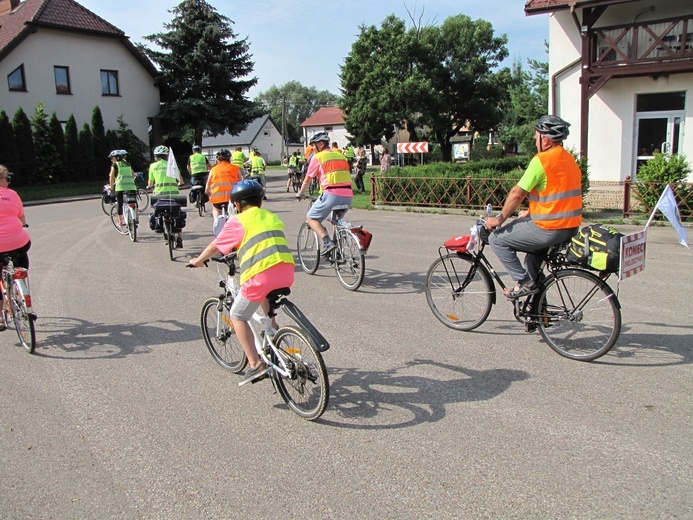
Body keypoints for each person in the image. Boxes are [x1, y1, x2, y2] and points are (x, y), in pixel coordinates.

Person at [188, 180, 295, 384]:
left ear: (236, 205)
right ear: (260, 202)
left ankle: (255, 364)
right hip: (286, 271)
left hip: (260, 276)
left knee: (238, 315)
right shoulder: (271, 216)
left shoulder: (238, 221)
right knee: (265, 299)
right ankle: (273, 331)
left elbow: (216, 245)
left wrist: (198, 261)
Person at [485, 115, 582, 299]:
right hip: (570, 228)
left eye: (535, 135)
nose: (534, 139)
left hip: (549, 229)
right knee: (532, 261)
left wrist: (498, 219)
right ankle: (538, 314)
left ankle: (524, 283)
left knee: (497, 239)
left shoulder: (542, 160)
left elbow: (517, 194)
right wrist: (532, 210)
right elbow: (558, 192)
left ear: (544, 139)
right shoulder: (569, 160)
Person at [296, 131, 353, 257]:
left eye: (314, 145)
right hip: (348, 195)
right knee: (337, 222)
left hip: (331, 194)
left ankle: (327, 242)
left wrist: (300, 193)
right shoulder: (341, 156)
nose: (312, 148)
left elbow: (308, 179)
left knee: (311, 218)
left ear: (321, 144)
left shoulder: (319, 157)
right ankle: (338, 252)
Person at [0, 166, 31, 331]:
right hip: (19, 242)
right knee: (21, 257)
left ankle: (0, 318)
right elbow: (21, 218)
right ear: (3, 179)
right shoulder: (12, 194)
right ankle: (22, 289)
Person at [148, 145, 185, 248]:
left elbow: (150, 182)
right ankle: (180, 238)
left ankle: (161, 227)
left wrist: (150, 186)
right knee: (178, 215)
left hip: (159, 194)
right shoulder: (172, 165)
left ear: (156, 156)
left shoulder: (153, 166)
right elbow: (181, 180)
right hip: (173, 194)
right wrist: (179, 184)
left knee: (157, 212)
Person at [205, 149, 240, 219]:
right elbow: (241, 183)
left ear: (218, 159)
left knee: (216, 209)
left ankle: (216, 220)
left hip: (217, 199)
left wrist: (207, 192)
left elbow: (208, 184)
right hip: (232, 198)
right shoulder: (236, 168)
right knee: (237, 211)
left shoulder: (213, 169)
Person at [108, 149, 138, 227]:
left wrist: (111, 187)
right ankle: (135, 219)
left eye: (112, 158)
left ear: (116, 158)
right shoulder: (127, 163)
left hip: (120, 187)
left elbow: (111, 177)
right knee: (133, 203)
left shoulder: (115, 165)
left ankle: (120, 222)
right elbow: (133, 174)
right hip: (131, 186)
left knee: (120, 203)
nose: (111, 160)